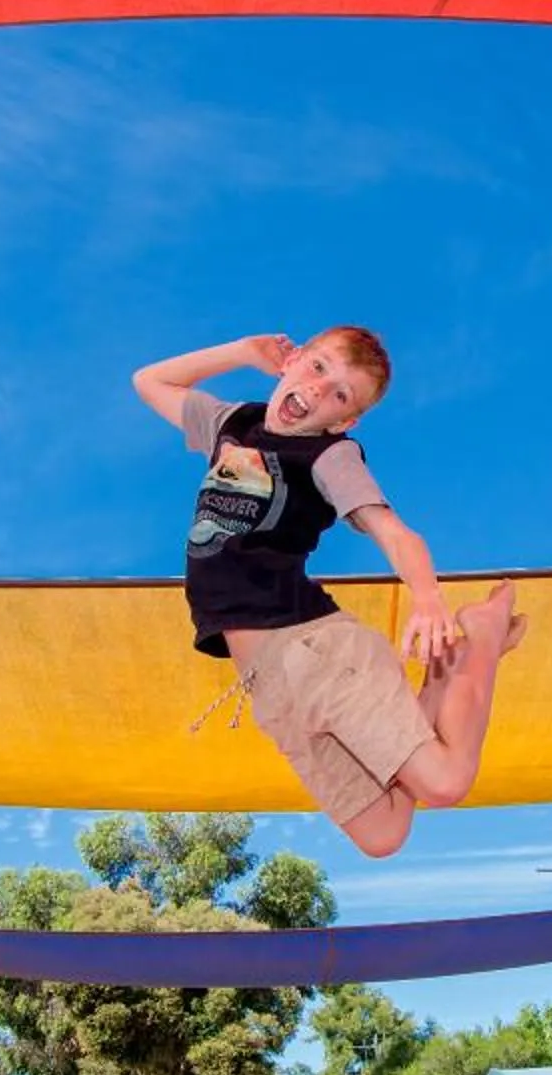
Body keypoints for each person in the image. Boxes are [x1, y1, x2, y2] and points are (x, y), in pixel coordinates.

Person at [132, 328, 523, 858]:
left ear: (345, 420)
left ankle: (480, 635)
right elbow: (149, 380)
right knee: (383, 834)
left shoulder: (328, 456)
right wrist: (245, 352)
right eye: (317, 368)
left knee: (446, 782)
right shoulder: (232, 424)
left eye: (341, 394)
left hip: (314, 652)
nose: (319, 391)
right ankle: (445, 672)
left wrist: (428, 599)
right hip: (268, 683)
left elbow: (392, 530)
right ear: (291, 363)